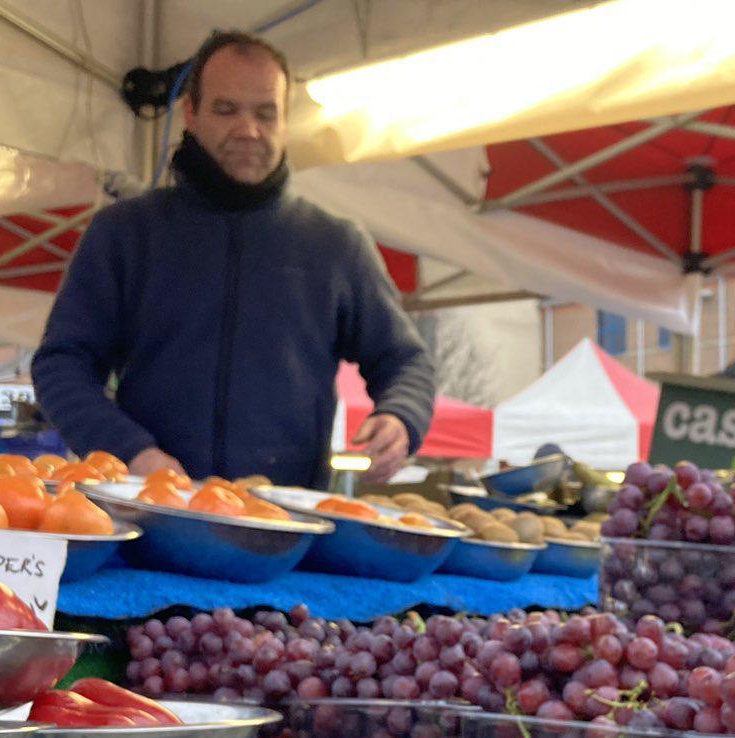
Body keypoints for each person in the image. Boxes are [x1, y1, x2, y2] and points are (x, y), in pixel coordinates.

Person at [31, 30, 436, 486]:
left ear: (286, 121)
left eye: (266, 113)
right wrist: (132, 453)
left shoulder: (337, 244)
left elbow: (405, 360)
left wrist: (401, 417)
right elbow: (61, 363)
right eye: (227, 110)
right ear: (191, 113)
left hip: (283, 523)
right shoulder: (125, 233)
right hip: (147, 508)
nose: (248, 129)